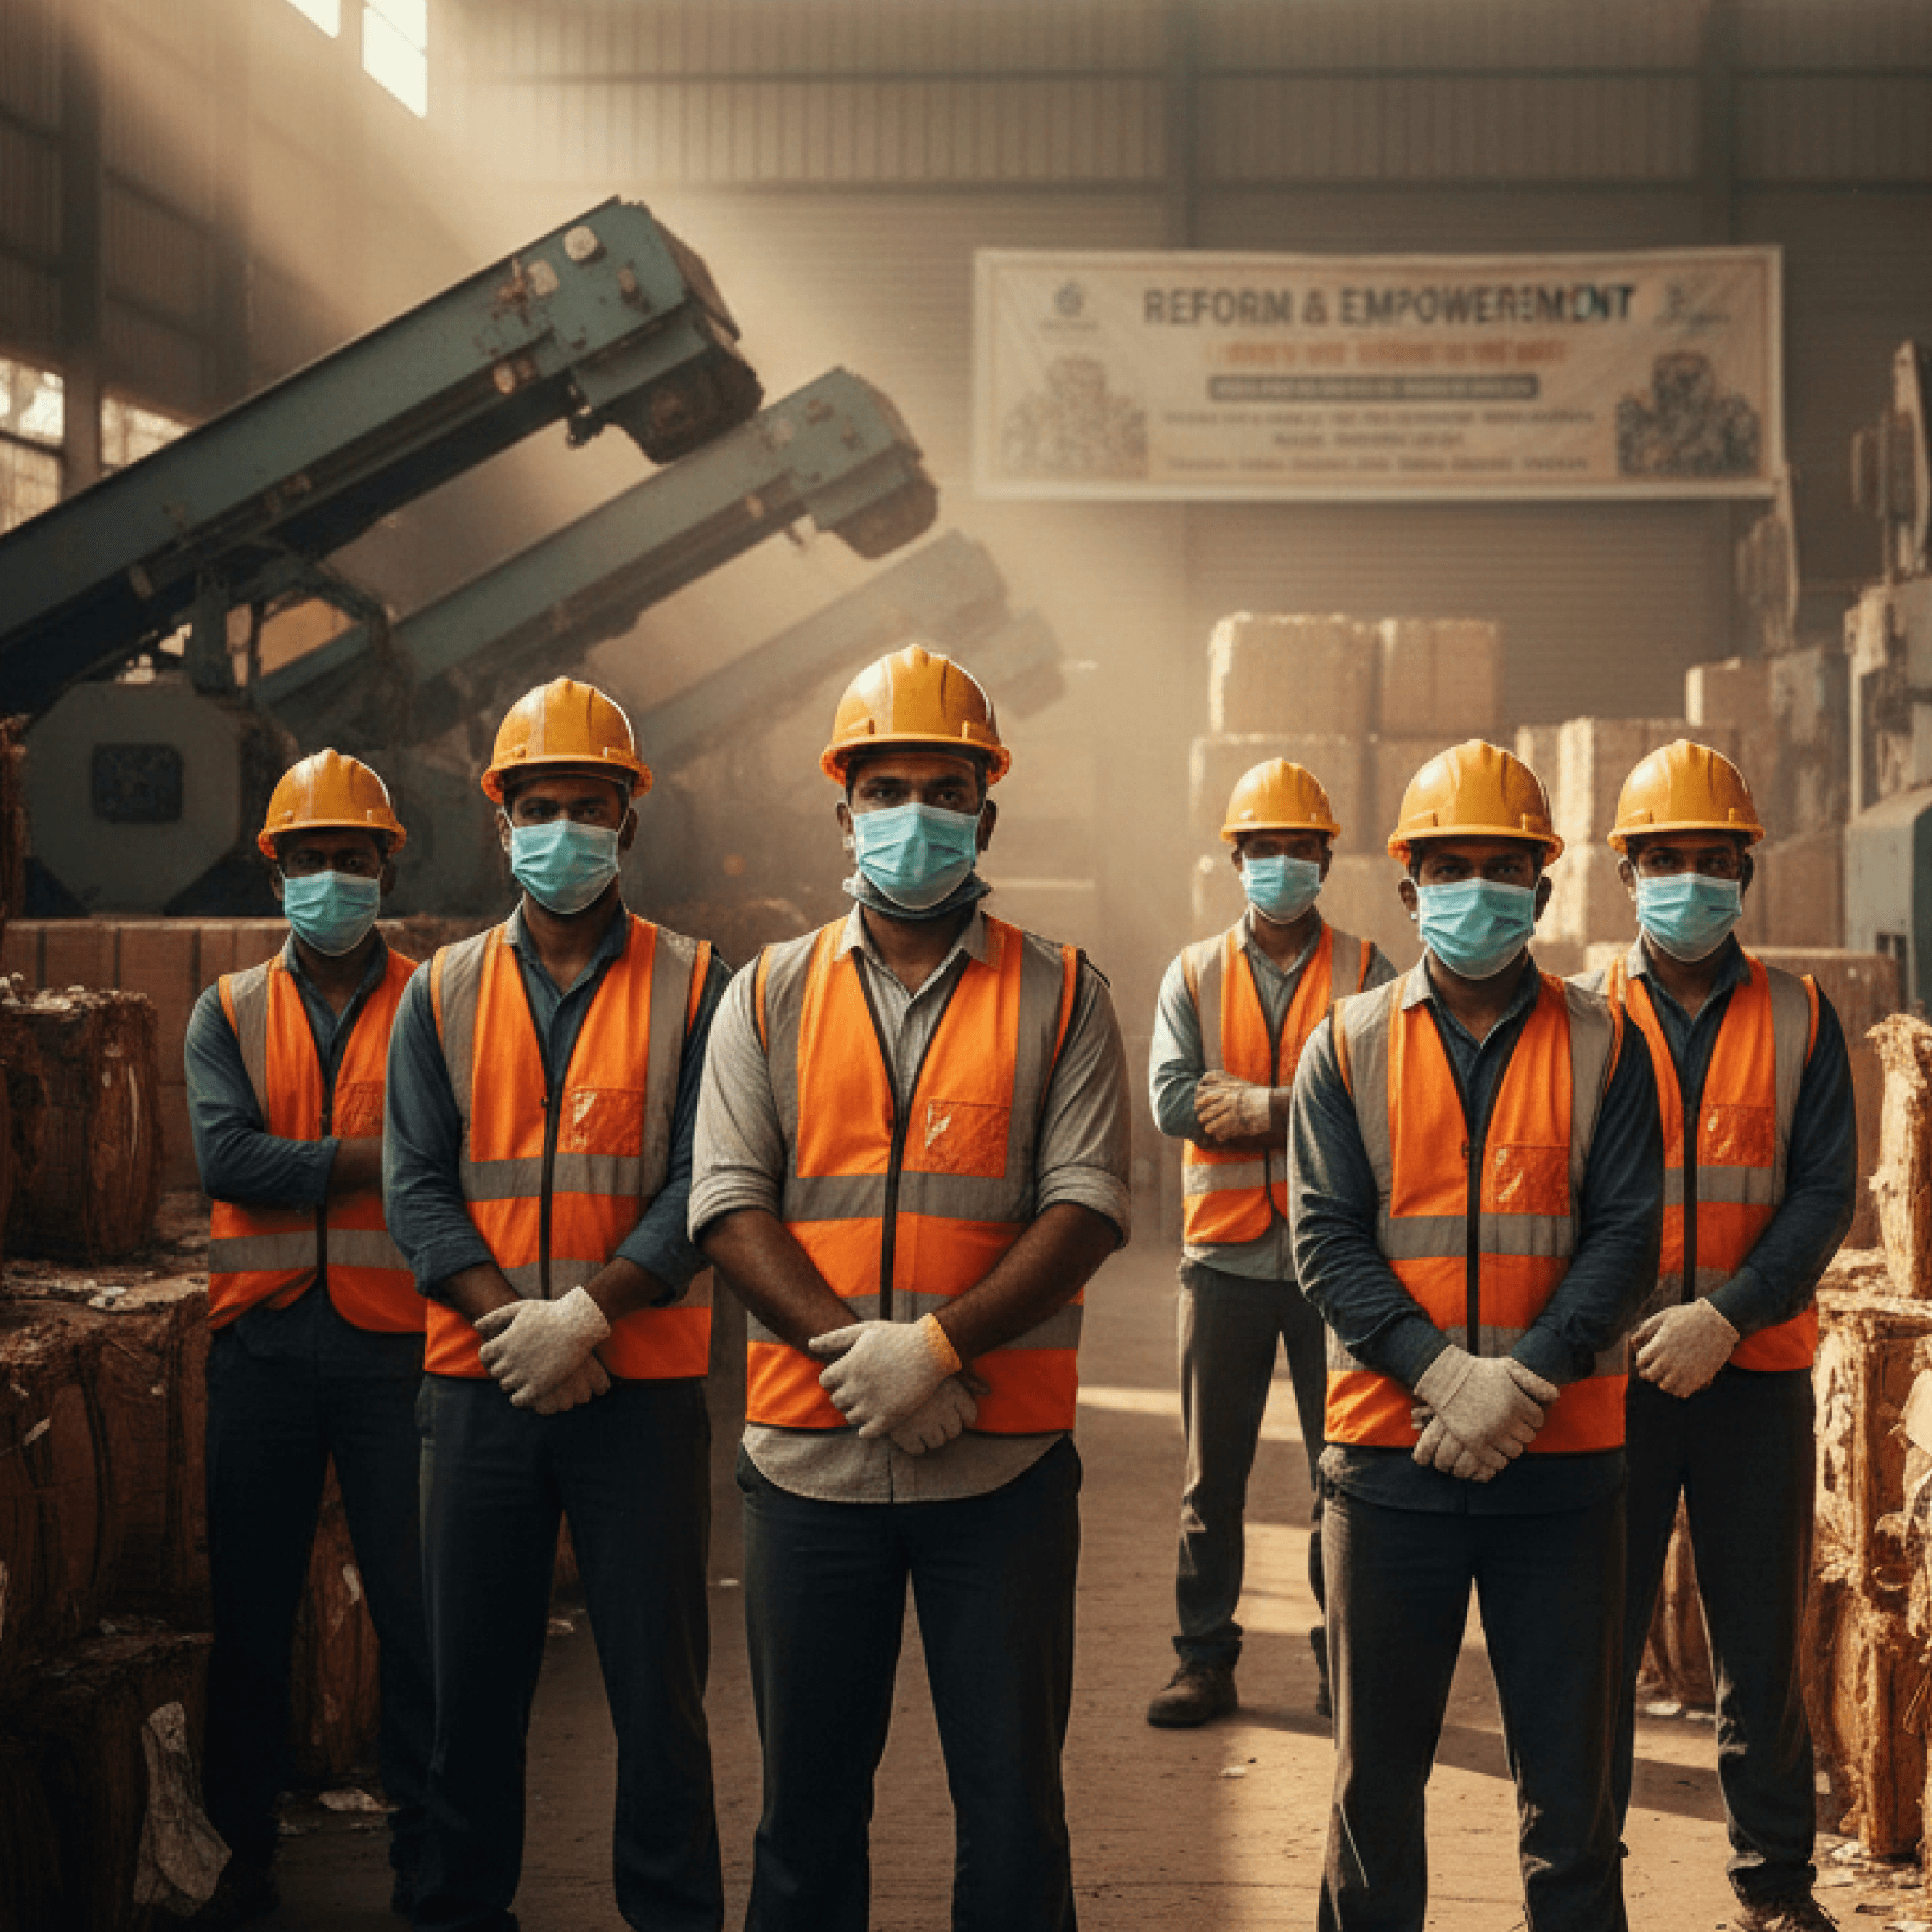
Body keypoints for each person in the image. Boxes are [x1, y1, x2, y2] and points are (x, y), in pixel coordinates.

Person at [690, 643, 1132, 1932]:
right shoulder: (767, 995)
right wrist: (866, 1363)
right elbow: (729, 1206)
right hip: (808, 1471)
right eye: (886, 791)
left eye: (946, 791)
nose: (915, 816)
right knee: (805, 1819)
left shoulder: (1063, 993)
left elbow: (1086, 1207)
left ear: (987, 815)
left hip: (1001, 1470)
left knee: (1013, 1815)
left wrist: (932, 1352)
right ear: (844, 812)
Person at [1288, 738, 1663, 1932]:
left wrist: (1524, 1380)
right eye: (1449, 867)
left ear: (1541, 891)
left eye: (1504, 868)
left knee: (1571, 1803)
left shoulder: (1608, 1042)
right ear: (1408, 890)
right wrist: (1447, 1376)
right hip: (1387, 1468)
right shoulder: (1344, 1044)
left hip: (1562, 1474)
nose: (1477, 889)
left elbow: (1626, 1238)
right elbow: (1325, 1243)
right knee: (1374, 1793)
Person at [383, 678, 729, 1932]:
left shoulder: (700, 985)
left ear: (627, 821)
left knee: (659, 1697)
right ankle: (458, 1911)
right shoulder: (439, 991)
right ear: (501, 825)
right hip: (480, 1393)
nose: (564, 830)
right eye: (540, 809)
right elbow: (416, 1188)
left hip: (639, 1393)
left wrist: (584, 1319)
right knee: (468, 1695)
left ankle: (672, 1916)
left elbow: (707, 1180)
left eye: (589, 807)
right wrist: (515, 1329)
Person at [1582, 741, 1855, 1932]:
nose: (1689, 879)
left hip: (1756, 1375)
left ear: (1744, 872)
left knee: (1759, 1643)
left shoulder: (1800, 1015)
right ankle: (1579, 1880)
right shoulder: (1578, 1014)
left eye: (1712, 859)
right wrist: (1621, 1329)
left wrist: (1725, 1314)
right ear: (1625, 874)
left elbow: (1823, 1193)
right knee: (1592, 1643)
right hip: (1612, 1380)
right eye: (1665, 859)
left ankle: (1774, 1884)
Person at [185, 750, 430, 1929]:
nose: (332, 876)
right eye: (310, 858)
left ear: (386, 868)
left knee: (416, 1623)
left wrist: (322, 1168)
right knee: (251, 1625)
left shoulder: (437, 1001)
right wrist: (386, 1159)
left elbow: (460, 1160)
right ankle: (241, 1861)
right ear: (275, 872)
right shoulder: (227, 1009)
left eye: (352, 857)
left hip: (399, 1353)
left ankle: (432, 1869)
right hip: (264, 1353)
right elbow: (227, 1161)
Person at [1145, 757, 1396, 1729]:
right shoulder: (1192, 973)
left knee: (1342, 1473)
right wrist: (1310, 1107)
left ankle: (1344, 1663)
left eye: (1298, 848)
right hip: (1222, 1264)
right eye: (1263, 848)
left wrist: (1262, 1105)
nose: (1281, 863)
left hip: (1333, 1266)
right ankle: (1201, 1660)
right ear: (1235, 859)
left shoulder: (1367, 971)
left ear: (1324, 860)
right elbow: (1173, 1099)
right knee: (1212, 1481)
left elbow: (1385, 1100)